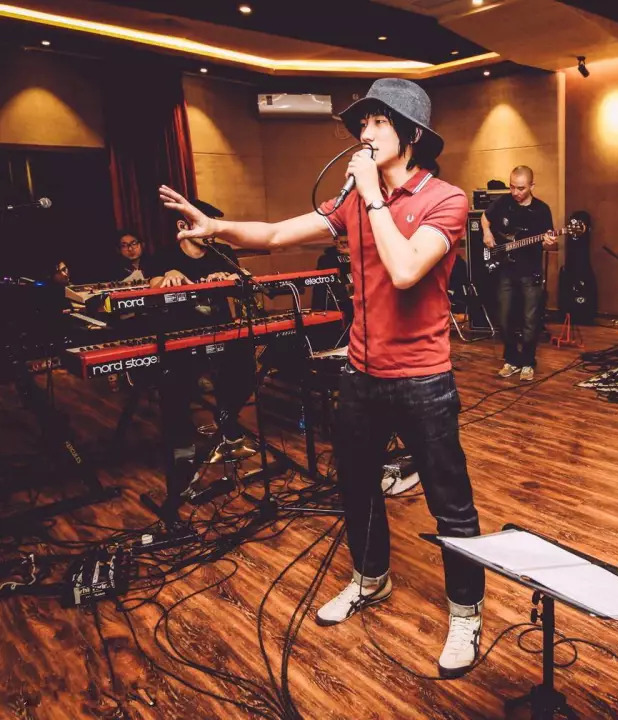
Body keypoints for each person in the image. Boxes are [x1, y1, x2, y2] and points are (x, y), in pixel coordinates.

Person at [158, 77, 485, 677]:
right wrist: (216, 228)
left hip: (423, 378)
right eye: (362, 123)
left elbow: (406, 270)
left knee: (451, 505)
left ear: (412, 134)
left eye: (378, 122)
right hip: (361, 373)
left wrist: (374, 198)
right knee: (356, 487)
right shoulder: (353, 201)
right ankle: (371, 579)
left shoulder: (446, 199)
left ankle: (466, 612)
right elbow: (276, 234)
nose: (364, 132)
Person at [143, 199, 258, 503]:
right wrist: (166, 279)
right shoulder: (163, 257)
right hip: (182, 337)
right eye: (200, 223)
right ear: (183, 226)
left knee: (245, 371)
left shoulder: (222, 253)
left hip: (222, 331)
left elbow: (243, 275)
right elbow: (153, 285)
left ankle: (227, 426)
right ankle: (183, 451)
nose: (209, 232)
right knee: (175, 387)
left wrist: (231, 277)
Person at [481, 166, 557, 381]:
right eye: (512, 187)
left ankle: (528, 362)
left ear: (532, 186)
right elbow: (485, 218)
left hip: (530, 272)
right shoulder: (503, 202)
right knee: (505, 318)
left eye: (521, 188)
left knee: (530, 320)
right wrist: (487, 233)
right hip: (505, 270)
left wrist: (549, 242)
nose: (515, 192)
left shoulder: (542, 210)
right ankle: (511, 360)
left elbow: (548, 242)